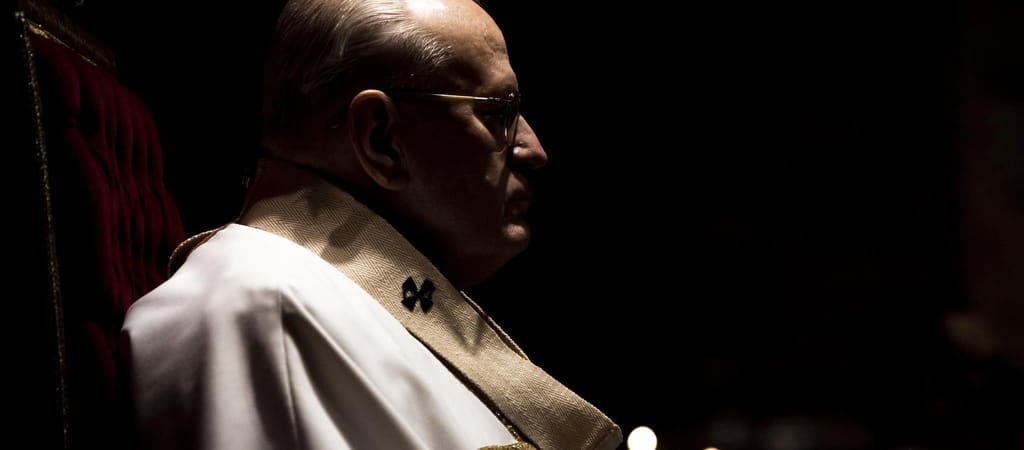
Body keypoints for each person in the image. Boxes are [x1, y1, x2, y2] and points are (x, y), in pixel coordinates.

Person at [120, 0, 623, 449]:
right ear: (382, 140)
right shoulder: (267, 308)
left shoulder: (329, 304)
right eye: (499, 114)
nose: (534, 149)